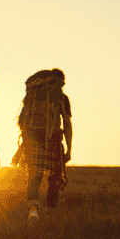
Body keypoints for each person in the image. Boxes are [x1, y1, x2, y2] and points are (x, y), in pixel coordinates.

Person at [16, 68, 72, 223]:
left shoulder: (32, 96)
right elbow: (67, 124)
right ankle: (50, 213)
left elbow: (21, 119)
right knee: (55, 177)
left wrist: (25, 142)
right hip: (53, 139)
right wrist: (69, 148)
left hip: (33, 137)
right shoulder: (62, 98)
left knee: (34, 175)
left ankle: (32, 211)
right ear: (61, 82)